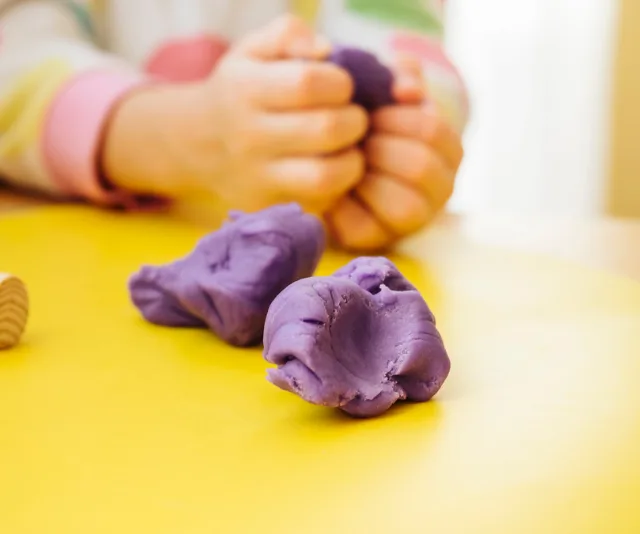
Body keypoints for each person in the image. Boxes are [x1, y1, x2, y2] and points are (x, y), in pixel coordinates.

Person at [0, 0, 468, 251]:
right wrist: (178, 135)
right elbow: (13, 54)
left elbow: (406, 32)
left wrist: (408, 136)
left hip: (335, 245)